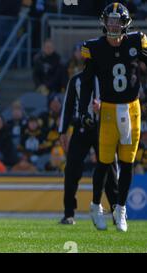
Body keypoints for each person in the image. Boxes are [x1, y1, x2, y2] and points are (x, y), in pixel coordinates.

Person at [79, 2, 145, 232]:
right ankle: (96, 206)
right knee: (104, 162)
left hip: (132, 109)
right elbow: (86, 83)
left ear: (125, 24)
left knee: (128, 162)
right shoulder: (94, 47)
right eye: (111, 20)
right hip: (107, 109)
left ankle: (121, 208)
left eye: (118, 20)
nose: (114, 24)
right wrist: (82, 111)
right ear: (104, 22)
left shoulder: (137, 42)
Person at [59, 71, 118, 225]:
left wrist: (104, 107)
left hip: (103, 128)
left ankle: (117, 212)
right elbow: (68, 105)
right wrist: (62, 131)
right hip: (81, 129)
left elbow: (119, 101)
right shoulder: (76, 80)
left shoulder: (108, 76)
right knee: (71, 170)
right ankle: (68, 213)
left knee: (110, 171)